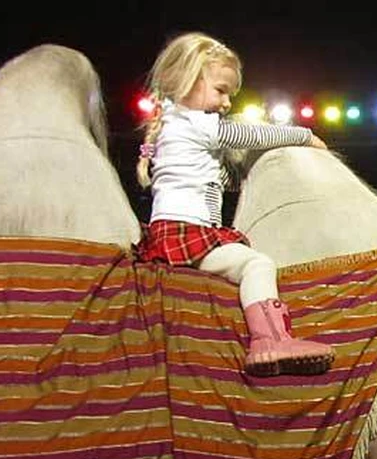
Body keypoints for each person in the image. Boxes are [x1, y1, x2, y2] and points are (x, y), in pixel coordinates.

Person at [135, 31, 333, 377]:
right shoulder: (199, 124)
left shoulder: (174, 125)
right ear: (186, 80)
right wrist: (304, 135)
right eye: (220, 90)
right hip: (187, 231)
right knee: (256, 264)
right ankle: (270, 340)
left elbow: (216, 181)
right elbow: (254, 135)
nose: (227, 104)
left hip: (171, 231)